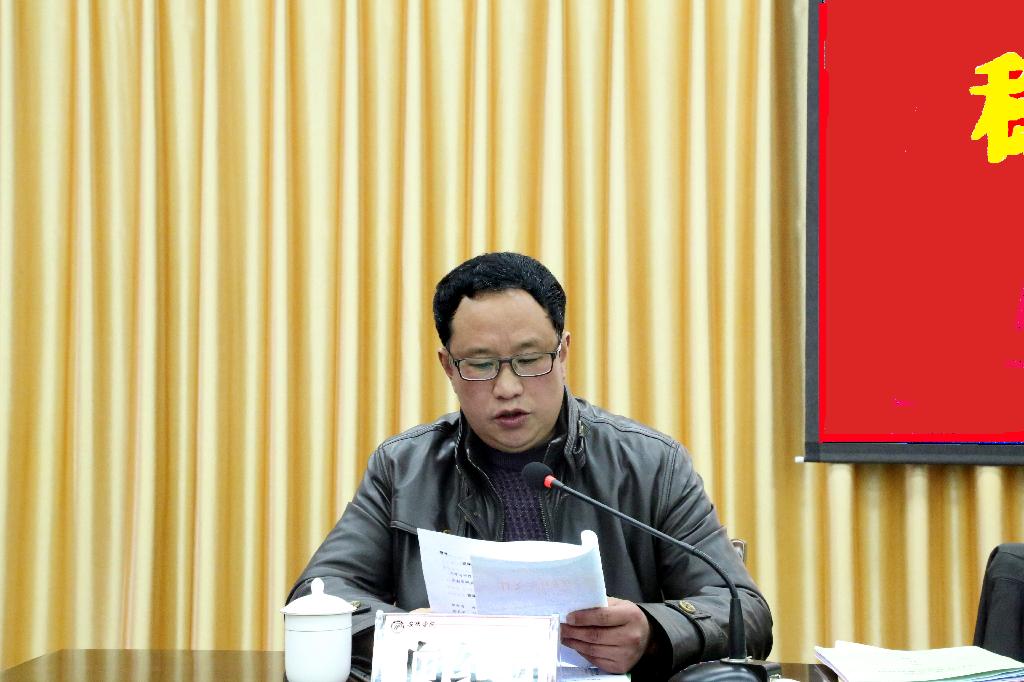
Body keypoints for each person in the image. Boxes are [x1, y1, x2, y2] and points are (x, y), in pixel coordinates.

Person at [287, 252, 773, 679]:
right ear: (448, 367)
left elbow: (743, 610)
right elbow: (321, 595)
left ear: (563, 353)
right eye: (480, 364)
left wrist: (652, 632)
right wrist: (412, 633)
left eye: (529, 359)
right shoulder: (403, 468)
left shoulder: (649, 464)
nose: (508, 388)